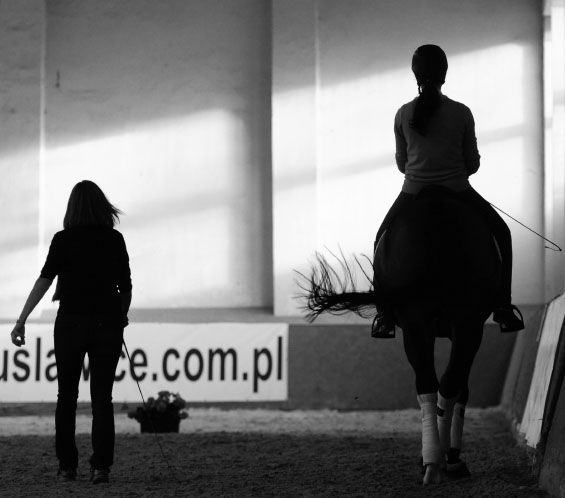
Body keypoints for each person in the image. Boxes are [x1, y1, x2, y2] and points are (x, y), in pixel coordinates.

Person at [373, 44, 524, 336]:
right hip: (458, 190)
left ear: (415, 74)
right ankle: (503, 307)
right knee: (502, 233)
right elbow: (472, 163)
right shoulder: (461, 112)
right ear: (444, 74)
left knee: (382, 238)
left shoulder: (403, 114)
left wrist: (422, 172)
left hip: (413, 192)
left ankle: (385, 315)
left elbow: (402, 164)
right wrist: (452, 172)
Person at [10, 180, 132, 485]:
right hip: (107, 325)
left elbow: (45, 280)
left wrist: (22, 319)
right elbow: (125, 287)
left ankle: (67, 466)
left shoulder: (62, 240)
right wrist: (121, 315)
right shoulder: (114, 239)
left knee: (66, 397)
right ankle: (100, 468)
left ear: (72, 208)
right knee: (102, 398)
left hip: (70, 325)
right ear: (101, 205)